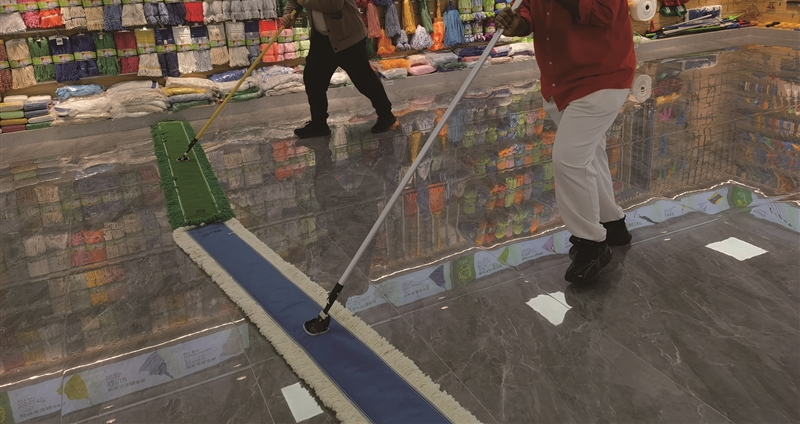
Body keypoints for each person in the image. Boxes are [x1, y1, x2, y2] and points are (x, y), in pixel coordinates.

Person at [495, 0, 636, 285]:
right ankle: (612, 224)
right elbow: (530, 15)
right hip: (559, 80)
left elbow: (603, 12)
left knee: (569, 159)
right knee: (588, 153)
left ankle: (592, 243)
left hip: (601, 76)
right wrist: (517, 24)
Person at [281, 0, 396, 139]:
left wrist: (303, 1)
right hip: (322, 39)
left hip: (348, 36)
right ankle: (319, 124)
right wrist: (289, 15)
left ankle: (386, 115)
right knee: (313, 79)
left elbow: (333, 4)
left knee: (363, 79)